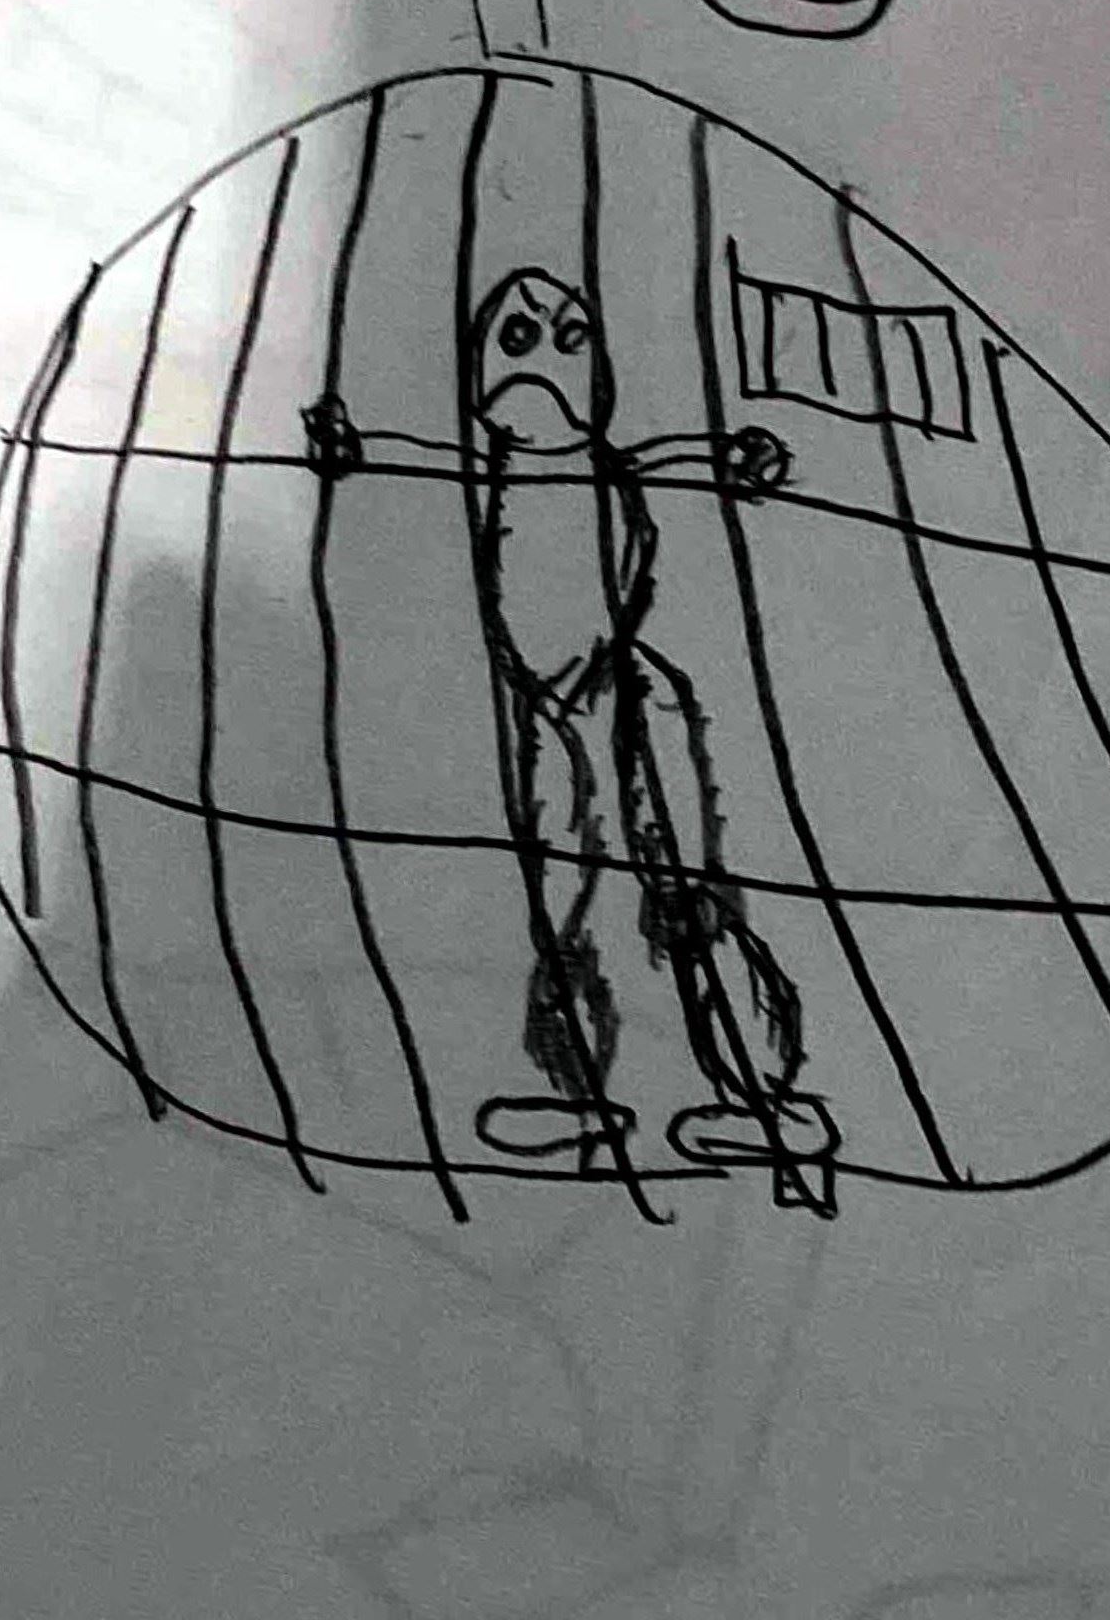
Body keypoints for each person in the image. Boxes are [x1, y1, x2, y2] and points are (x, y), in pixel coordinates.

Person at [304, 266, 839, 1212]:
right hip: (549, 714)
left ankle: (761, 1092)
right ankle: (576, 1095)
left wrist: (736, 455)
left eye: (567, 337)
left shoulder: (610, 467)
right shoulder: (487, 464)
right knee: (563, 906)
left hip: (627, 693)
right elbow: (411, 452)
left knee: (685, 899)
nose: (544, 358)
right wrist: (349, 448)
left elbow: (683, 456)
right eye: (516, 339)